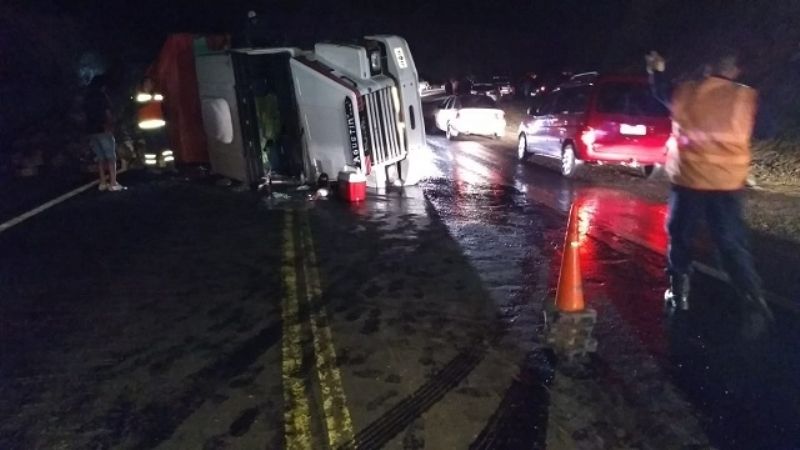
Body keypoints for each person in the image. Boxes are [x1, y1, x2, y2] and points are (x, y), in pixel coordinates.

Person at [646, 50, 773, 328]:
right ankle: (752, 298)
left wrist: (656, 68)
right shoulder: (745, 98)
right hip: (727, 185)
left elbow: (660, 92)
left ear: (706, 69)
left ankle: (679, 294)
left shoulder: (686, 93)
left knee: (680, 237)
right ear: (735, 71)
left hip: (688, 183)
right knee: (730, 243)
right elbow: (766, 127)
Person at [85, 74, 124, 191]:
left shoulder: (87, 98)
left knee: (100, 158)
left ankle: (102, 182)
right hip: (104, 129)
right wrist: (112, 124)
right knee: (111, 157)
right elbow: (108, 112)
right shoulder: (102, 96)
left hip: (92, 131)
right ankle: (113, 183)